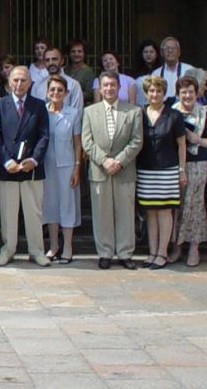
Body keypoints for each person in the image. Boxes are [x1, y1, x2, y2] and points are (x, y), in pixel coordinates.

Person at [82, 72, 144, 270]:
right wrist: (104, 161)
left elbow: (137, 141)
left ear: (119, 88)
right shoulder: (90, 111)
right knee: (102, 213)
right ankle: (105, 252)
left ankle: (126, 253)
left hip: (124, 170)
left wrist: (119, 161)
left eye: (113, 85)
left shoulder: (133, 111)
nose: (109, 89)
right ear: (100, 88)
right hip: (100, 170)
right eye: (105, 85)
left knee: (125, 212)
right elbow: (87, 141)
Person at [0, 66, 51, 267]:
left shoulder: (39, 105)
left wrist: (33, 160)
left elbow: (44, 136)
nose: (19, 84)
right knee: (8, 212)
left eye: (23, 80)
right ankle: (8, 249)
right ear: (9, 82)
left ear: (30, 82)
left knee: (34, 212)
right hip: (7, 168)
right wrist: (7, 161)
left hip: (30, 168)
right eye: (15, 80)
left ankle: (36, 251)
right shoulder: (0, 106)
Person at [137, 75, 187, 270]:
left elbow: (182, 144)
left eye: (158, 91)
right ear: (146, 93)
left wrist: (182, 170)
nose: (154, 94)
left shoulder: (174, 115)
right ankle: (152, 251)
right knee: (150, 211)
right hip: (146, 169)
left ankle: (162, 252)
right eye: (151, 91)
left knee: (165, 211)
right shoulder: (140, 114)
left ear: (164, 93)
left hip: (168, 169)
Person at [170, 75, 207, 267]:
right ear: (177, 94)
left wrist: (196, 139)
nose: (187, 95)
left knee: (194, 205)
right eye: (183, 92)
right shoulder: (171, 113)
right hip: (173, 164)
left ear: (197, 94)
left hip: (197, 163)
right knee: (176, 205)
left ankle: (194, 247)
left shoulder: (205, 115)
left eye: (190, 92)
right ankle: (176, 246)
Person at [41, 75, 82, 264]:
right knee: (50, 205)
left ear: (66, 93)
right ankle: (54, 245)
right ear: (47, 92)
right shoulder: (42, 112)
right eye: (52, 90)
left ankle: (68, 246)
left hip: (67, 165)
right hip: (46, 165)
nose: (55, 93)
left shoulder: (73, 113)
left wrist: (77, 167)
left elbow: (77, 143)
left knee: (67, 204)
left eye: (59, 90)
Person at [138, 37, 192, 107]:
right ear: (162, 53)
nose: (170, 51)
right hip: (163, 110)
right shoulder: (156, 73)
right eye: (167, 48)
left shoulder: (189, 70)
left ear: (179, 52)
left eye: (173, 48)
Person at [30, 47, 83, 111]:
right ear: (44, 63)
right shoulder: (37, 86)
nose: (51, 63)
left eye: (54, 59)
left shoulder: (73, 85)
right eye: (47, 60)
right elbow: (34, 111)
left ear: (62, 61)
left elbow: (77, 113)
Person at [66, 40, 97, 105]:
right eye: (73, 51)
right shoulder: (65, 70)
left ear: (84, 54)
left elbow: (90, 94)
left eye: (79, 51)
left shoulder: (88, 72)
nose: (76, 54)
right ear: (69, 54)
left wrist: (72, 94)